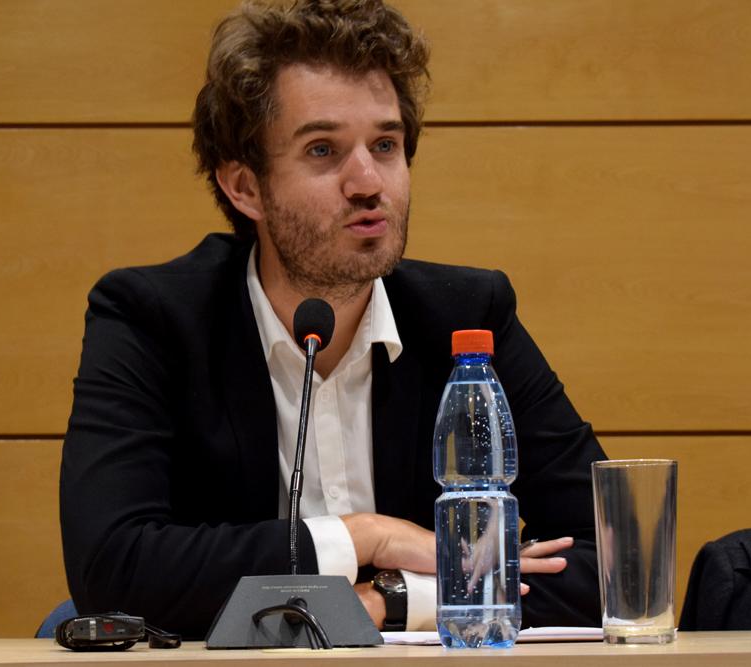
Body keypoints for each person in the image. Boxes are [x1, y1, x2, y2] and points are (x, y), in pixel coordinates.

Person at [60, 0, 605, 639]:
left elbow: (606, 565)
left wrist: (388, 597)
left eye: (386, 145)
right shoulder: (155, 320)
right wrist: (365, 536)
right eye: (323, 149)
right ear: (245, 188)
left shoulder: (467, 318)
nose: (368, 182)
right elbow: (115, 567)